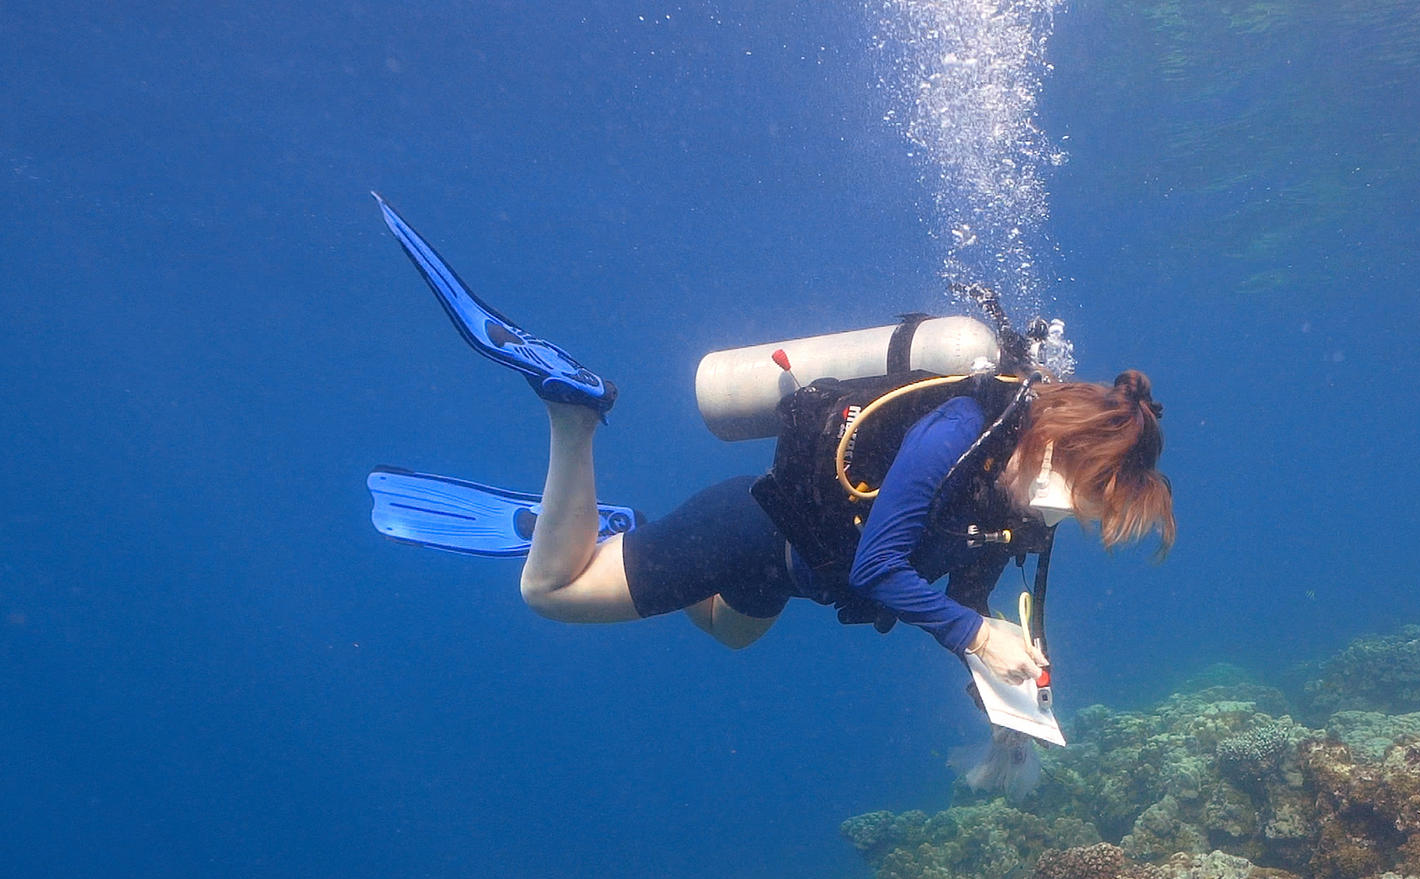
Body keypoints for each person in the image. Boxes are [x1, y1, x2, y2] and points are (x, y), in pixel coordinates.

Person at [370, 196, 1173, 687]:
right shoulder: (962, 429)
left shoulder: (1014, 501)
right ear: (1065, 448)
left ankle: (621, 532)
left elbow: (961, 596)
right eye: (1090, 494)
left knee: (726, 634)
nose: (1072, 513)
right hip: (749, 534)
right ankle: (572, 416)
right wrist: (972, 636)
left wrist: (996, 675)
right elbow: (878, 567)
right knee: (551, 595)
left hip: (788, 576)